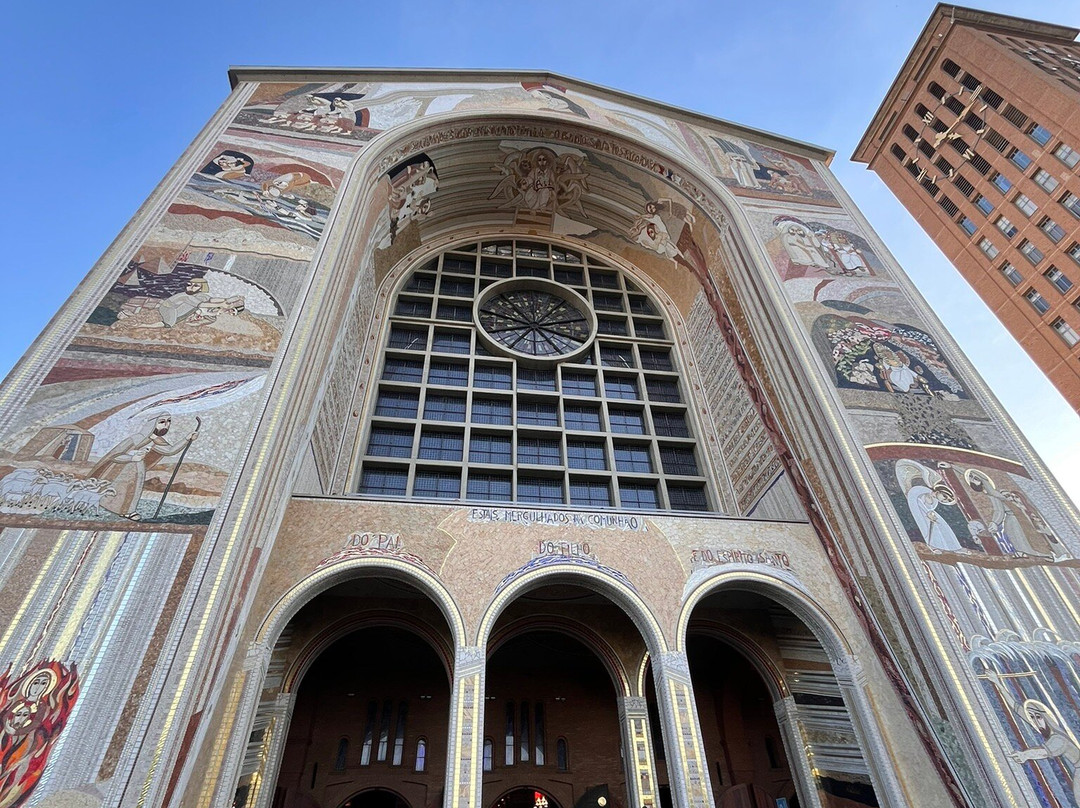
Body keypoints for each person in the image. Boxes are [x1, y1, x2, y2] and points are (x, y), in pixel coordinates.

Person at [87, 413, 197, 520]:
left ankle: (127, 511)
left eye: (169, 421)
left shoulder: (156, 440)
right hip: (121, 471)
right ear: (153, 423)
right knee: (121, 491)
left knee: (132, 491)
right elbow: (114, 455)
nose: (166, 425)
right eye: (162, 422)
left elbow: (170, 451)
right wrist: (131, 458)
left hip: (137, 472)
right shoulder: (137, 438)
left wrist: (186, 439)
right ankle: (123, 511)